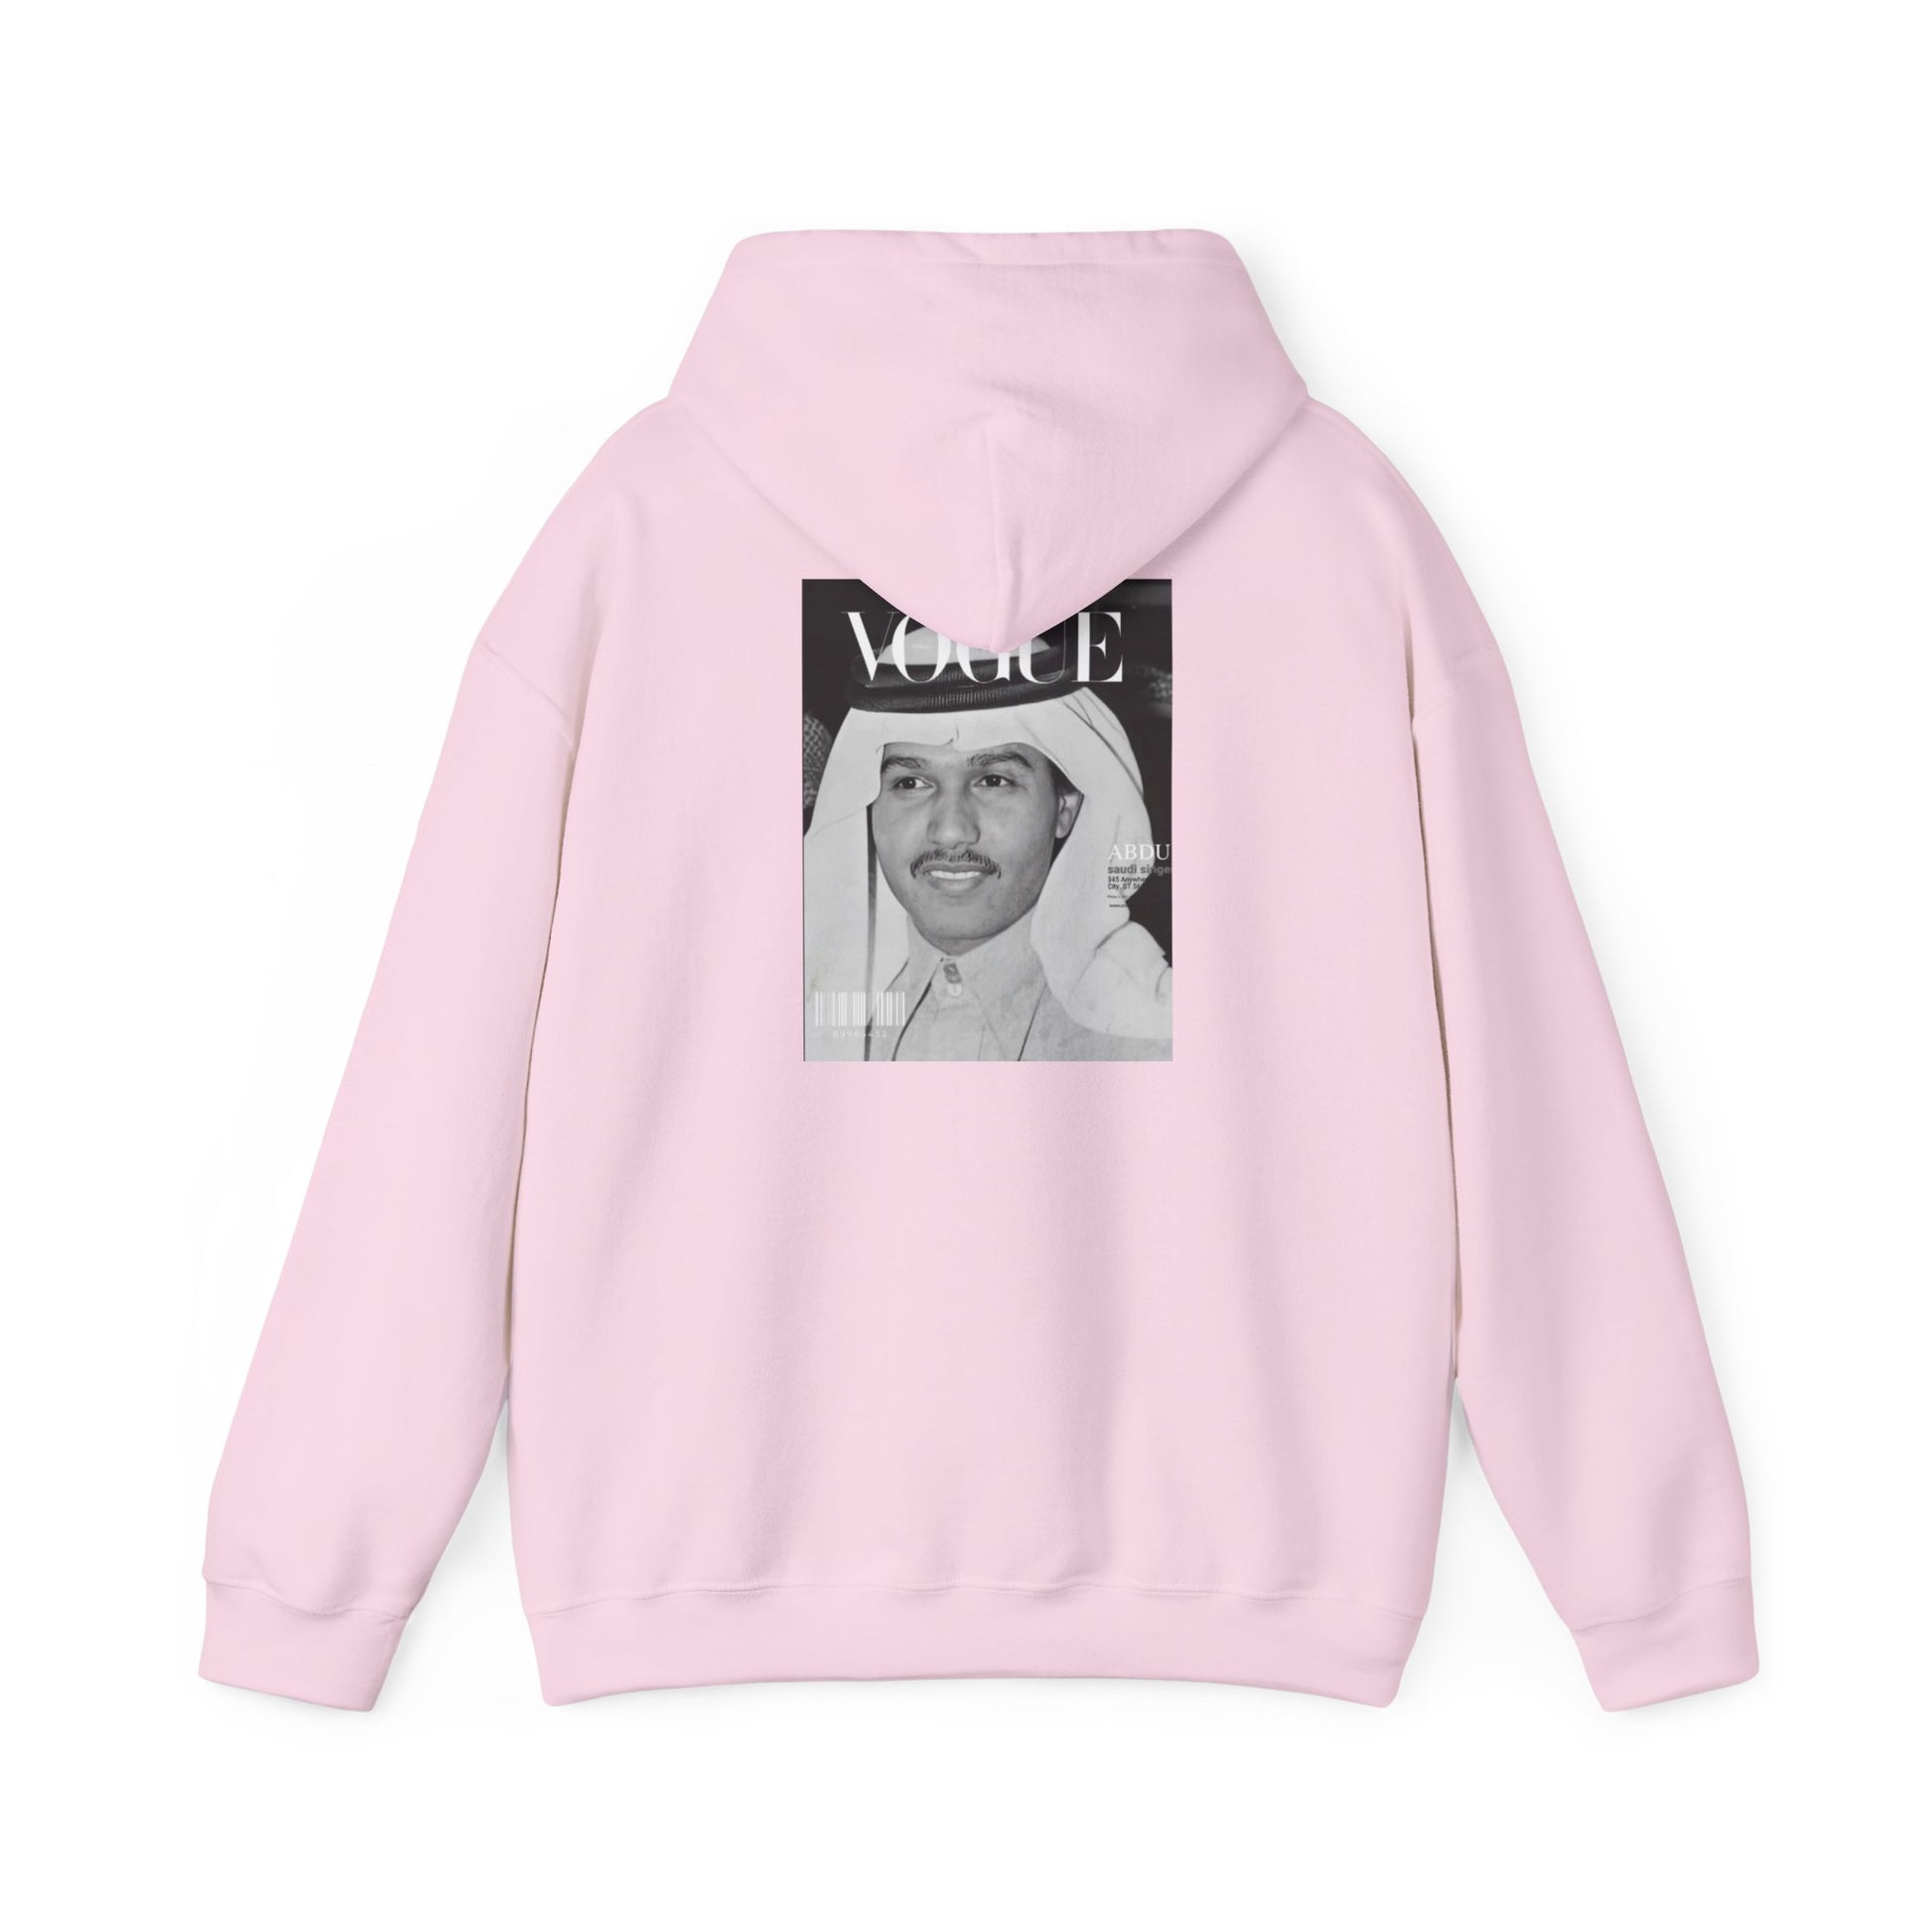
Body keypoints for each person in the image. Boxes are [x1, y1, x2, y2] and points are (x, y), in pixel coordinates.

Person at [803, 625, 1173, 1061]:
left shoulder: (1156, 1037)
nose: (950, 831)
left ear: (1065, 807)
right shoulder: (797, 1020)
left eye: (994, 781)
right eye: (911, 783)